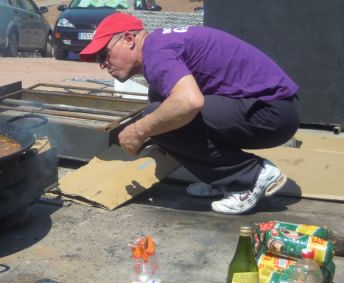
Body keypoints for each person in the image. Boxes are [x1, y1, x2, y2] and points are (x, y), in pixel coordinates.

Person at [80, 12, 300, 215]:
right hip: (270, 109)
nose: (103, 65)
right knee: (160, 108)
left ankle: (251, 177)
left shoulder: (155, 51)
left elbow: (189, 101)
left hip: (271, 111)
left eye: (103, 54)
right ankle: (224, 179)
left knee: (157, 114)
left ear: (129, 39)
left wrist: (140, 130)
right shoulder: (161, 45)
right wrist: (161, 141)